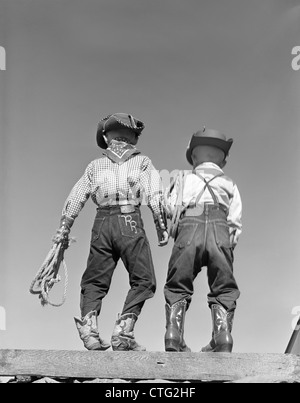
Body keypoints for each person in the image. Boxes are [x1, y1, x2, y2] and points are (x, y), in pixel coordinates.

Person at [53, 113, 168, 351]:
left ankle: (89, 331)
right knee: (144, 280)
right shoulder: (142, 162)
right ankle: (123, 332)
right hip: (130, 221)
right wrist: (161, 224)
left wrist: (65, 226)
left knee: (95, 279)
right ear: (134, 138)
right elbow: (155, 192)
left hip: (101, 222)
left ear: (106, 138)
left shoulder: (95, 166)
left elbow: (77, 195)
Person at [163, 127, 242, 353]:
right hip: (220, 229)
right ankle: (222, 337)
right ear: (222, 159)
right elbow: (235, 221)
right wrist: (228, 244)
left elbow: (170, 208)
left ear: (194, 157)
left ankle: (174, 336)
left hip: (190, 225)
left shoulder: (183, 178)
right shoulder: (230, 183)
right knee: (223, 286)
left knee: (178, 283)